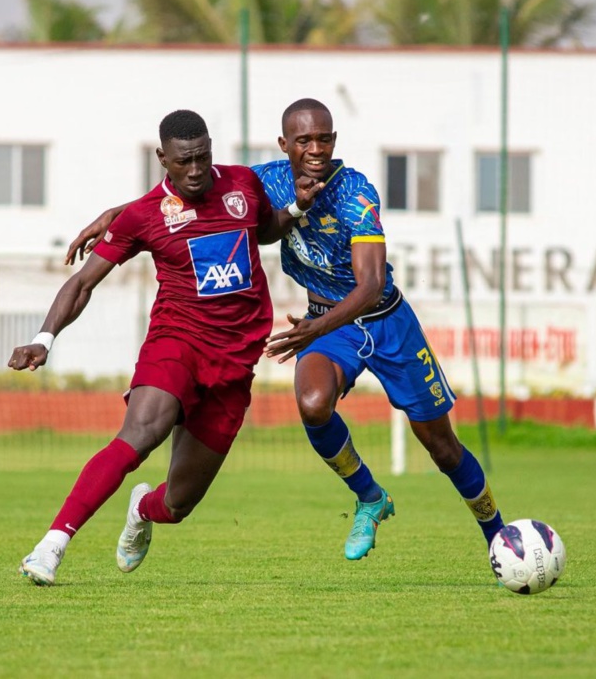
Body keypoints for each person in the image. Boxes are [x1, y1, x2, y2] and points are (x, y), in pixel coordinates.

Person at [67, 98, 503, 564]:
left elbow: (371, 285)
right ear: (285, 145)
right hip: (328, 325)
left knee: (441, 447)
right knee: (314, 404)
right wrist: (116, 215)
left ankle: (498, 537)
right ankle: (370, 497)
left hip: (387, 321)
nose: (316, 148)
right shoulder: (267, 181)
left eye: (325, 138)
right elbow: (189, 187)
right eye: (304, 140)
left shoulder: (356, 194)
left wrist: (313, 328)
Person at [10, 108, 322, 586]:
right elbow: (84, 282)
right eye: (183, 162)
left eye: (202, 157)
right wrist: (43, 338)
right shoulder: (143, 216)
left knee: (177, 504)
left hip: (234, 364)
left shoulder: (242, 184)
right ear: (163, 159)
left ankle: (142, 508)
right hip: (176, 342)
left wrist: (296, 209)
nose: (195, 170)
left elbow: (262, 230)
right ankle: (52, 544)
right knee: (140, 433)